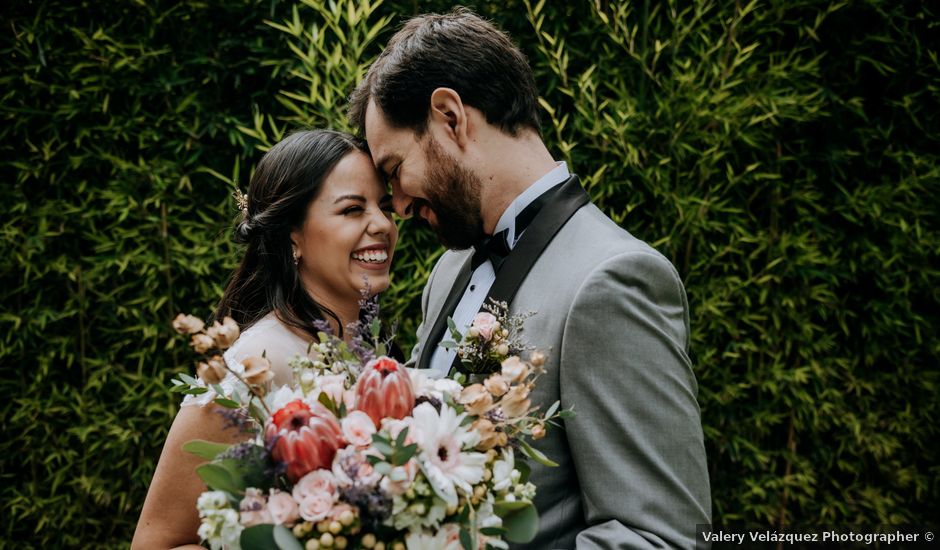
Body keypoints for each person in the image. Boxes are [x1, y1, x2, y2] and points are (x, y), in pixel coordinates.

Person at [348, 9, 710, 549]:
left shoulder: (611, 281)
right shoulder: (447, 273)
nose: (396, 205)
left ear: (450, 117)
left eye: (396, 170)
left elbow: (660, 536)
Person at [132, 130, 398, 548]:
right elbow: (157, 542)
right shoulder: (254, 365)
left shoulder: (376, 355)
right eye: (352, 209)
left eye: (384, 206)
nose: (382, 224)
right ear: (293, 236)